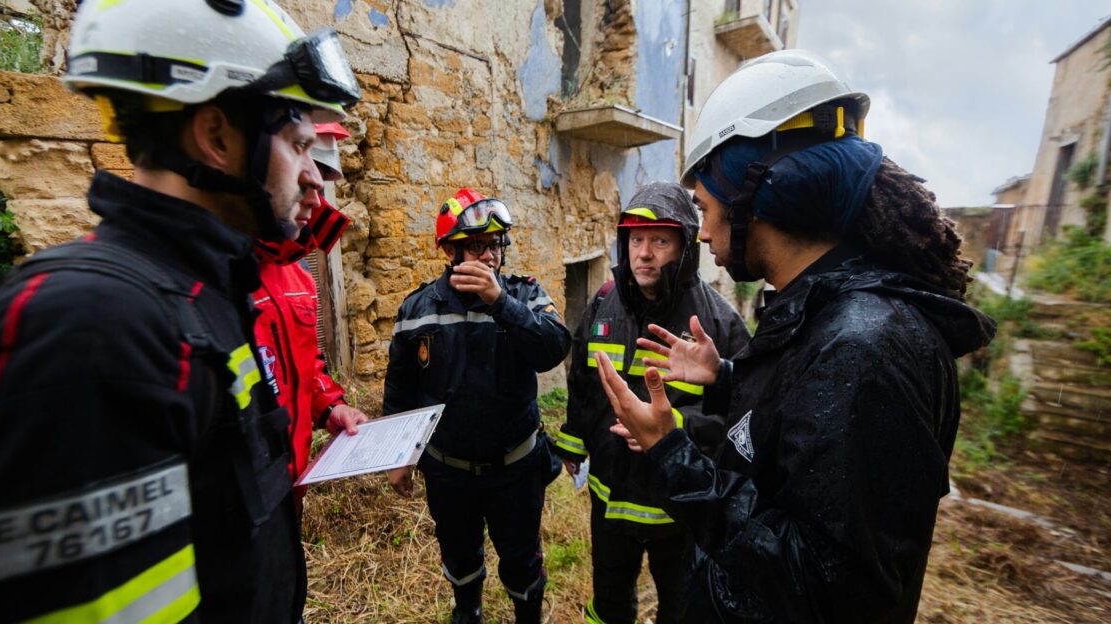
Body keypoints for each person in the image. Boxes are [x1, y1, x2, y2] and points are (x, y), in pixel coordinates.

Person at [0, 1, 359, 621]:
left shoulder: (202, 296)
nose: (314, 177)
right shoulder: (92, 331)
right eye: (298, 145)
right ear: (217, 136)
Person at [594, 49, 997, 623]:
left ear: (755, 192)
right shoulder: (831, 316)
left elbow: (817, 585)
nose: (702, 231)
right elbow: (800, 436)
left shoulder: (865, 348)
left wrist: (670, 454)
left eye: (704, 207)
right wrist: (726, 377)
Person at [556, 182, 749, 624]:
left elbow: (743, 417)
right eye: (635, 240)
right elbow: (583, 381)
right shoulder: (603, 303)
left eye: (660, 240)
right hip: (610, 498)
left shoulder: (718, 322)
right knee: (609, 605)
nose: (644, 253)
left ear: (684, 246)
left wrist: (675, 428)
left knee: (680, 609)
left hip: (681, 509)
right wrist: (572, 440)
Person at [383, 189, 571, 624]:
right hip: (448, 470)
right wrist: (400, 456)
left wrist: (499, 303)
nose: (489, 257)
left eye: (496, 245)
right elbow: (401, 390)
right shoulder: (417, 309)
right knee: (459, 556)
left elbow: (552, 349)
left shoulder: (524, 296)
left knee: (522, 560)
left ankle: (528, 614)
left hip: (516, 468)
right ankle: (468, 610)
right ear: (450, 250)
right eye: (476, 246)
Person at [252, 121, 368, 501]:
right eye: (306, 180)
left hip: (290, 488)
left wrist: (330, 407)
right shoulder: (218, 277)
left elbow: (303, 365)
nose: (317, 198)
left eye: (323, 181)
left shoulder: (297, 274)